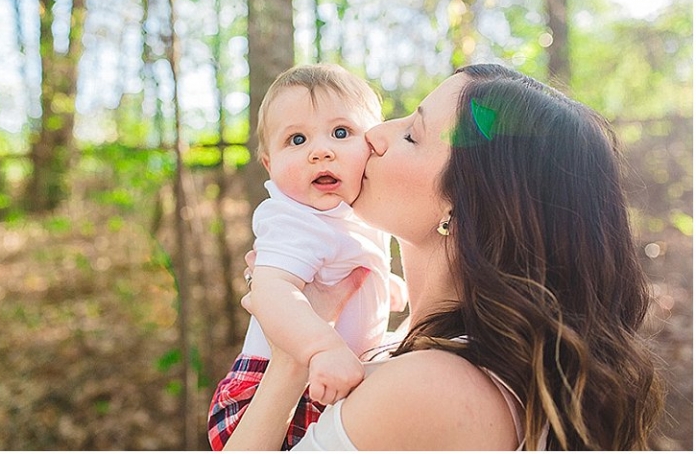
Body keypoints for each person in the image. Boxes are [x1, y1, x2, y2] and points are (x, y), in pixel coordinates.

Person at [223, 63, 664, 450]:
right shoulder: (418, 354)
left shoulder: (429, 388)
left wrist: (292, 354)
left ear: (465, 202)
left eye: (412, 135)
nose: (374, 135)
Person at [208, 63, 408, 450]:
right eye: (297, 140)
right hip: (269, 395)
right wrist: (322, 348)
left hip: (333, 378)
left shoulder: (353, 214)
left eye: (340, 132)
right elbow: (269, 293)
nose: (320, 151)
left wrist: (384, 288)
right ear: (270, 164)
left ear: (372, 145)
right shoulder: (294, 218)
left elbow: (342, 267)